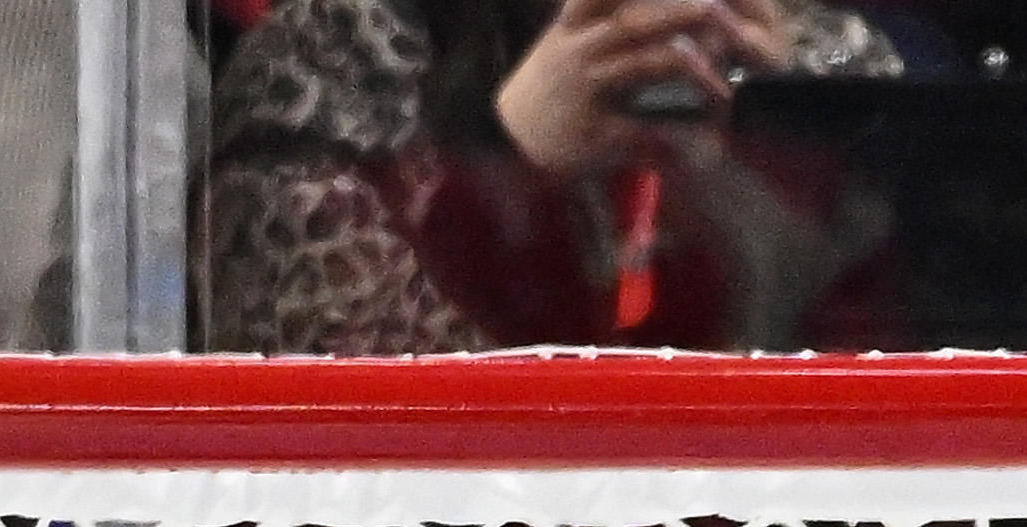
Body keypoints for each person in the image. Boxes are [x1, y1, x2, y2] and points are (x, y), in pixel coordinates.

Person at [203, 0, 901, 354]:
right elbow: (319, 437)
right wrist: (502, 158)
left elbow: (915, 399)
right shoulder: (334, 57)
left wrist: (779, 142)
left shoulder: (823, 60)